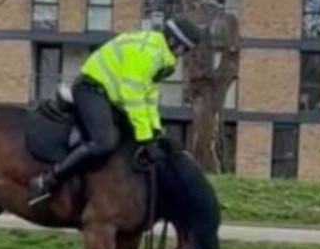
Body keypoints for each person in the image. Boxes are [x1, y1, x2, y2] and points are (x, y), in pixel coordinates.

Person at [26, 17, 202, 206]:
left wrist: (155, 130)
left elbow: (149, 95)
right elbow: (133, 96)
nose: (184, 53)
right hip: (91, 89)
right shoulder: (148, 53)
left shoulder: (160, 56)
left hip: (110, 95)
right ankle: (48, 180)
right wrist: (145, 136)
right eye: (184, 48)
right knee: (104, 142)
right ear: (173, 41)